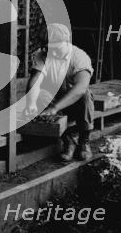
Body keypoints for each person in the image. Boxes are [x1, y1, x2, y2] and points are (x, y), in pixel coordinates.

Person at [24, 22, 94, 161]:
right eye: (48, 49)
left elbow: (80, 88)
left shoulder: (79, 57)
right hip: (53, 99)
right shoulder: (41, 54)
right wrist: (30, 103)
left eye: (56, 49)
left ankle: (84, 141)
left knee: (86, 95)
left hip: (74, 102)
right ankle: (68, 141)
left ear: (66, 42)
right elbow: (35, 81)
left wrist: (55, 108)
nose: (53, 53)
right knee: (40, 94)